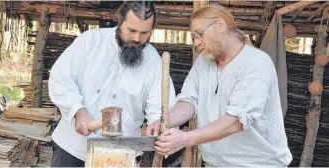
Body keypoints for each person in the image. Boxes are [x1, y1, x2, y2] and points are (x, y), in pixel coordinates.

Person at [147, 3, 292, 167]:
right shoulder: (204, 61)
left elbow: (236, 121)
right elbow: (189, 100)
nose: (196, 43)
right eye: (193, 37)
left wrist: (185, 138)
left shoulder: (256, 62)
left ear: (220, 26)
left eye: (199, 35)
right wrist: (166, 121)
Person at [48, 1, 175, 167]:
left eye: (145, 33)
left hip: (121, 155)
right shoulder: (90, 41)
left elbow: (161, 109)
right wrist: (78, 111)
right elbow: (60, 78)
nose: (137, 38)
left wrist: (157, 124)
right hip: (73, 148)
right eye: (132, 30)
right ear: (120, 20)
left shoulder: (155, 64)